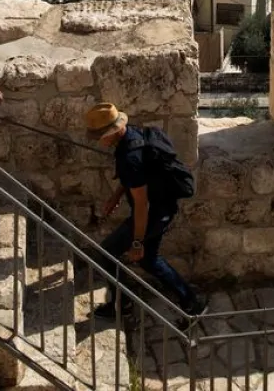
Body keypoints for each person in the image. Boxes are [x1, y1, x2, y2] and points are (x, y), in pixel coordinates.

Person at [85, 102, 206, 321]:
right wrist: (115, 197)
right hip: (164, 208)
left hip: (151, 214)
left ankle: (122, 304)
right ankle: (192, 301)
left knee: (105, 254)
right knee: (149, 260)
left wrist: (137, 242)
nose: (98, 140)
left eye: (100, 135)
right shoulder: (135, 136)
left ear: (112, 132)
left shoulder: (129, 157)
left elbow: (142, 204)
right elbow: (136, 179)